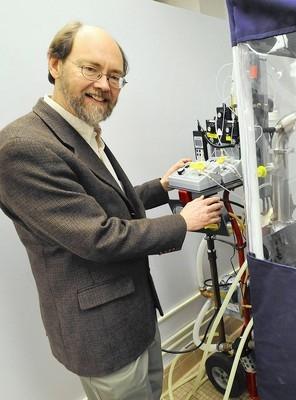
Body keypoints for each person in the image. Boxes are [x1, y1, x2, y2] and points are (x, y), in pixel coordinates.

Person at [0, 22, 222, 399]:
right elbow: (98, 236)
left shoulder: (79, 130)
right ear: (55, 64)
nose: (104, 84)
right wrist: (183, 222)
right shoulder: (24, 147)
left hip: (134, 312)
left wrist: (161, 187)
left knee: (151, 390)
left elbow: (101, 204)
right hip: (101, 331)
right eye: (91, 69)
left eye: (115, 76)